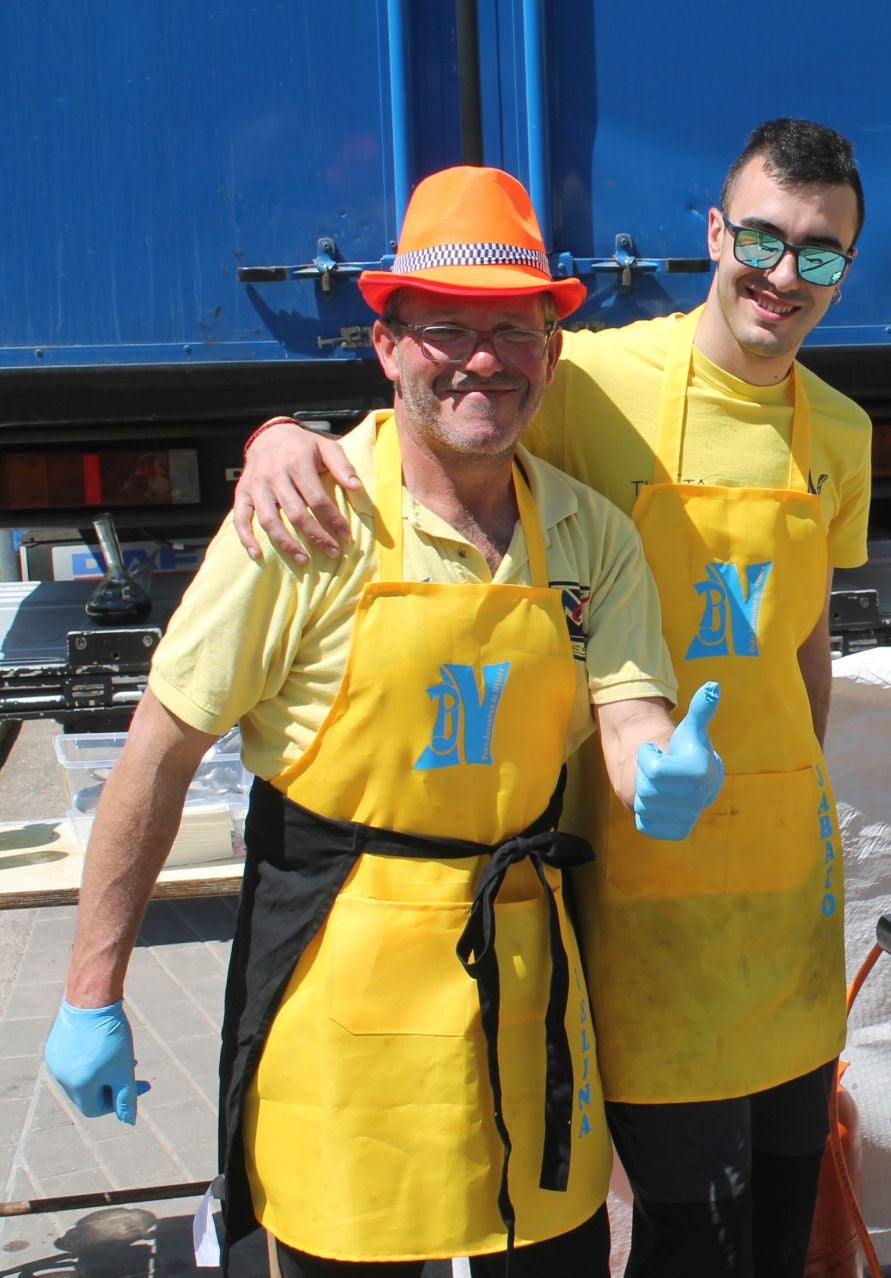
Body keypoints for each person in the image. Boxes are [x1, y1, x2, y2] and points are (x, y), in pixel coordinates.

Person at [42, 166, 720, 1276]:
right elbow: (158, 762)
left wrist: (663, 769)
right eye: (446, 330)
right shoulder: (304, 521)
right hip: (340, 1011)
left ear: (552, 353)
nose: (483, 361)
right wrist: (90, 992)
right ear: (388, 348)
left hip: (526, 996)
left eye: (514, 332)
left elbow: (631, 713)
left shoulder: (591, 535)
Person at [232, 118, 873, 1278]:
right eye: (766, 239)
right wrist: (279, 439)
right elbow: (433, 416)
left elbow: (805, 646)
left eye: (821, 254)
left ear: (846, 268)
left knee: (779, 1226)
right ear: (716, 233)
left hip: (788, 900)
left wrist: (802, 788)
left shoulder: (843, 428)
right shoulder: (596, 382)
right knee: (692, 1236)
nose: (785, 276)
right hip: (640, 889)